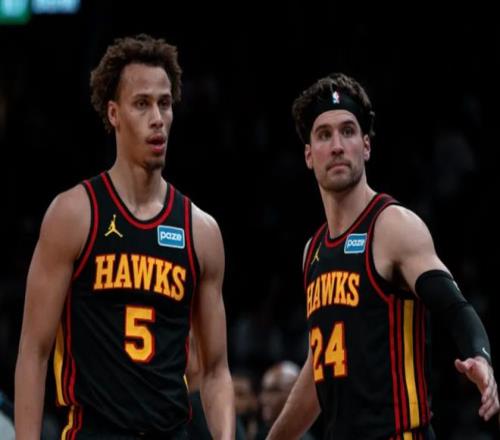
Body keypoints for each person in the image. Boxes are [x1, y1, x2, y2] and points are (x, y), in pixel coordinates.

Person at [15, 34, 235, 439]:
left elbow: (216, 370)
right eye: (142, 104)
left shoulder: (201, 230)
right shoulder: (74, 214)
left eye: (164, 103)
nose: (157, 118)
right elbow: (34, 351)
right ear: (114, 113)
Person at [267, 73, 499, 439]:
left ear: (366, 146)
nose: (337, 145)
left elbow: (455, 307)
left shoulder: (392, 226)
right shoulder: (313, 251)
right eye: (324, 135)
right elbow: (320, 367)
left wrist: (480, 356)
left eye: (348, 131)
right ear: (309, 155)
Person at [256, 361, 315, 440]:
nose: (264, 399)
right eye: (264, 391)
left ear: (294, 393)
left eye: (274, 391)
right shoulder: (256, 434)